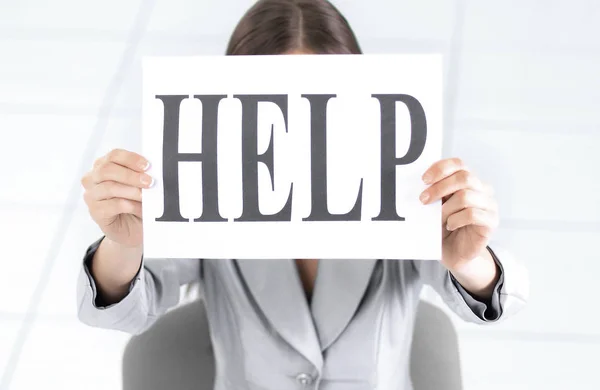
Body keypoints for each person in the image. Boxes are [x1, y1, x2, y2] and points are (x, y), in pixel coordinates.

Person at [76, 1, 529, 389]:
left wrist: (470, 259)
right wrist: (124, 243)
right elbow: (118, 314)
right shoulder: (205, 188)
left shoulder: (405, 187)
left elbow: (495, 304)